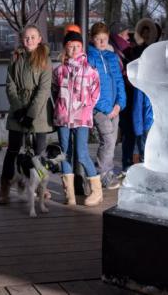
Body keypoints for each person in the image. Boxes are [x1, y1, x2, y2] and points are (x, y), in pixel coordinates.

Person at [0, 25, 53, 205]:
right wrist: (19, 109)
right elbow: (10, 85)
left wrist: (30, 115)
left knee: (40, 152)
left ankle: (41, 186)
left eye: (33, 37)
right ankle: (5, 185)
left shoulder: (45, 59)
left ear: (39, 39)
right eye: (26, 37)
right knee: (13, 150)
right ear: (22, 39)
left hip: (39, 111)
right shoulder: (16, 58)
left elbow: (44, 90)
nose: (29, 40)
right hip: (18, 107)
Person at [53, 25, 101, 206]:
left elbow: (96, 93)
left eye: (77, 46)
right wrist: (61, 108)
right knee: (65, 154)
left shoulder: (90, 71)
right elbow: (55, 91)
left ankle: (97, 191)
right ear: (65, 47)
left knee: (81, 153)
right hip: (63, 118)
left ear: (82, 47)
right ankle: (70, 194)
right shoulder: (58, 71)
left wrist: (86, 108)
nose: (73, 50)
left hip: (82, 118)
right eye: (70, 46)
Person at [87, 22, 126, 189]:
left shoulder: (111, 57)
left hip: (114, 107)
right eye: (98, 39)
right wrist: (106, 108)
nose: (102, 42)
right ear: (92, 39)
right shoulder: (89, 57)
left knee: (110, 142)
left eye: (104, 39)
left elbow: (119, 82)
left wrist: (119, 104)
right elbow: (90, 86)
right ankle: (103, 175)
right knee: (108, 140)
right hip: (99, 108)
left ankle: (103, 174)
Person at [121, 18, 158, 172]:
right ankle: (129, 165)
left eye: (149, 32)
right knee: (131, 134)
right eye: (144, 32)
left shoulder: (156, 51)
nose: (146, 35)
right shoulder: (131, 51)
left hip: (150, 96)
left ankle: (146, 165)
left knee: (147, 133)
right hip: (131, 96)